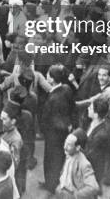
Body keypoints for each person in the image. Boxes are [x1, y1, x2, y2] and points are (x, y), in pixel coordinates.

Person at [41, 65, 75, 195]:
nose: (46, 77)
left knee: (50, 159)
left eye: (48, 75)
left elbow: (48, 118)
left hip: (53, 133)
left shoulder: (53, 98)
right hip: (64, 131)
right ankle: (52, 182)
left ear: (53, 79)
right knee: (59, 158)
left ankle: (50, 185)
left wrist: (45, 131)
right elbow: (73, 107)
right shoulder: (66, 89)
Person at [56, 129, 100, 199]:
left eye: (69, 145)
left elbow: (93, 187)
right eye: (65, 143)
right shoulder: (69, 155)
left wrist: (76, 196)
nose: (65, 147)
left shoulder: (84, 164)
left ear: (78, 148)